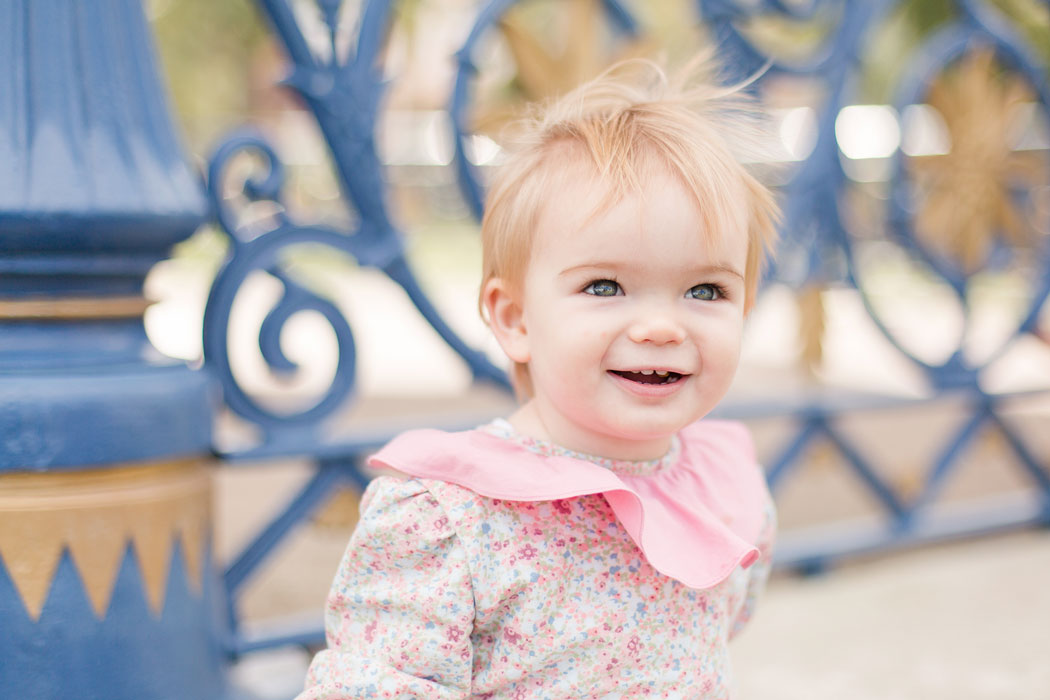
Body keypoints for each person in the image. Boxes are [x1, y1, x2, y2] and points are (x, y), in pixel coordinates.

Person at [298, 55, 780, 699]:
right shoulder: (453, 518)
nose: (662, 326)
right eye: (606, 286)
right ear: (515, 317)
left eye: (706, 290)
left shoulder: (722, 482)